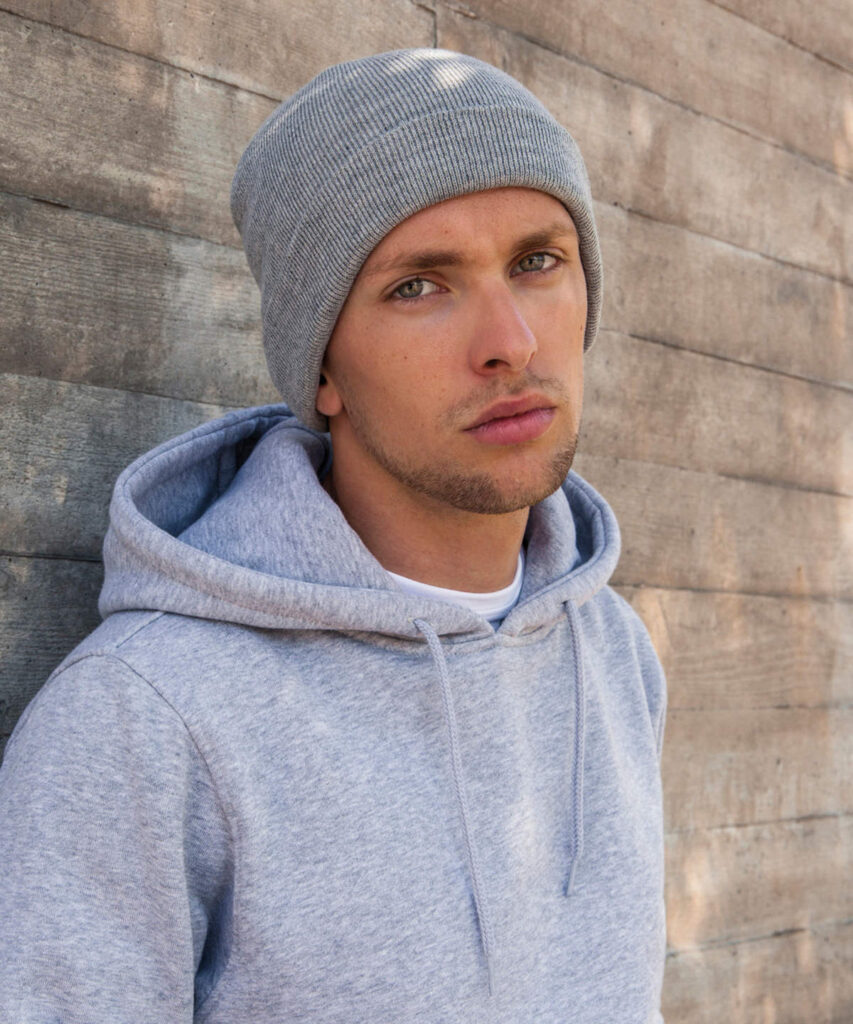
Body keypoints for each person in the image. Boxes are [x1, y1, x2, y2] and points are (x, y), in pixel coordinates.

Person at [0, 48, 667, 1022]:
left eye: (537, 262)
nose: (511, 343)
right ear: (321, 369)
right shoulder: (145, 716)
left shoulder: (611, 649)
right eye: (418, 285)